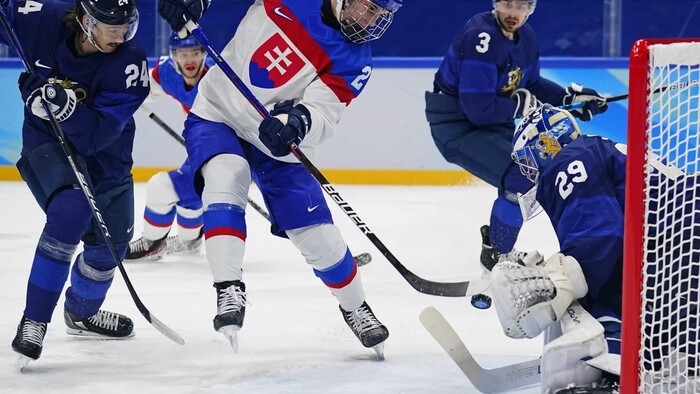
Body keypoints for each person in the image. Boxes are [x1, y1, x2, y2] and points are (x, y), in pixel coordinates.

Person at [156, 0, 401, 355]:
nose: (372, 21)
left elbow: (324, 112)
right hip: (218, 113)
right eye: (368, 8)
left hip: (277, 139)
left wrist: (298, 122)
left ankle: (355, 306)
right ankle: (228, 288)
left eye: (381, 15)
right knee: (228, 174)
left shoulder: (356, 60)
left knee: (317, 236)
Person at [488, 104, 699, 393]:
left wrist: (563, 279)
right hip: (681, 235)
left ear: (546, 144)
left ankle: (609, 369)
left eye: (528, 157)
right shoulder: (595, 150)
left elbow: (599, 234)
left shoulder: (569, 160)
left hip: (681, 238)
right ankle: (617, 363)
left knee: (590, 292)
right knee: (657, 334)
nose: (529, 168)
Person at [1, 0, 149, 366]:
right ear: (85, 21)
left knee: (108, 251)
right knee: (71, 210)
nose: (120, 35)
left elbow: (96, 136)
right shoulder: (40, 18)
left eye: (125, 26)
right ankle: (34, 321)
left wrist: (63, 108)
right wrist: (43, 107)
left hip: (107, 158)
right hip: (47, 143)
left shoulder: (129, 62)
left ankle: (81, 313)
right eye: (110, 27)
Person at [424, 0, 609, 267]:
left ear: (531, 8)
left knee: (532, 174)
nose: (513, 13)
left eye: (521, 6)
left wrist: (569, 99)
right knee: (521, 175)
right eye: (508, 4)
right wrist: (519, 105)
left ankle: (500, 251)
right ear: (496, 3)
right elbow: (477, 110)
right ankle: (498, 256)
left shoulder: (527, 37)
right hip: (457, 126)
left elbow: (531, 84)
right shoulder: (481, 37)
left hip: (494, 123)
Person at [125, 32, 215, 261]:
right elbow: (140, 93)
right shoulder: (167, 73)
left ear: (205, 54)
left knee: (161, 187)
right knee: (189, 192)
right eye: (183, 54)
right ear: (174, 56)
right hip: (202, 146)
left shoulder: (218, 77)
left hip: (223, 148)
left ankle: (153, 242)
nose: (189, 60)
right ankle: (189, 240)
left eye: (195, 52)